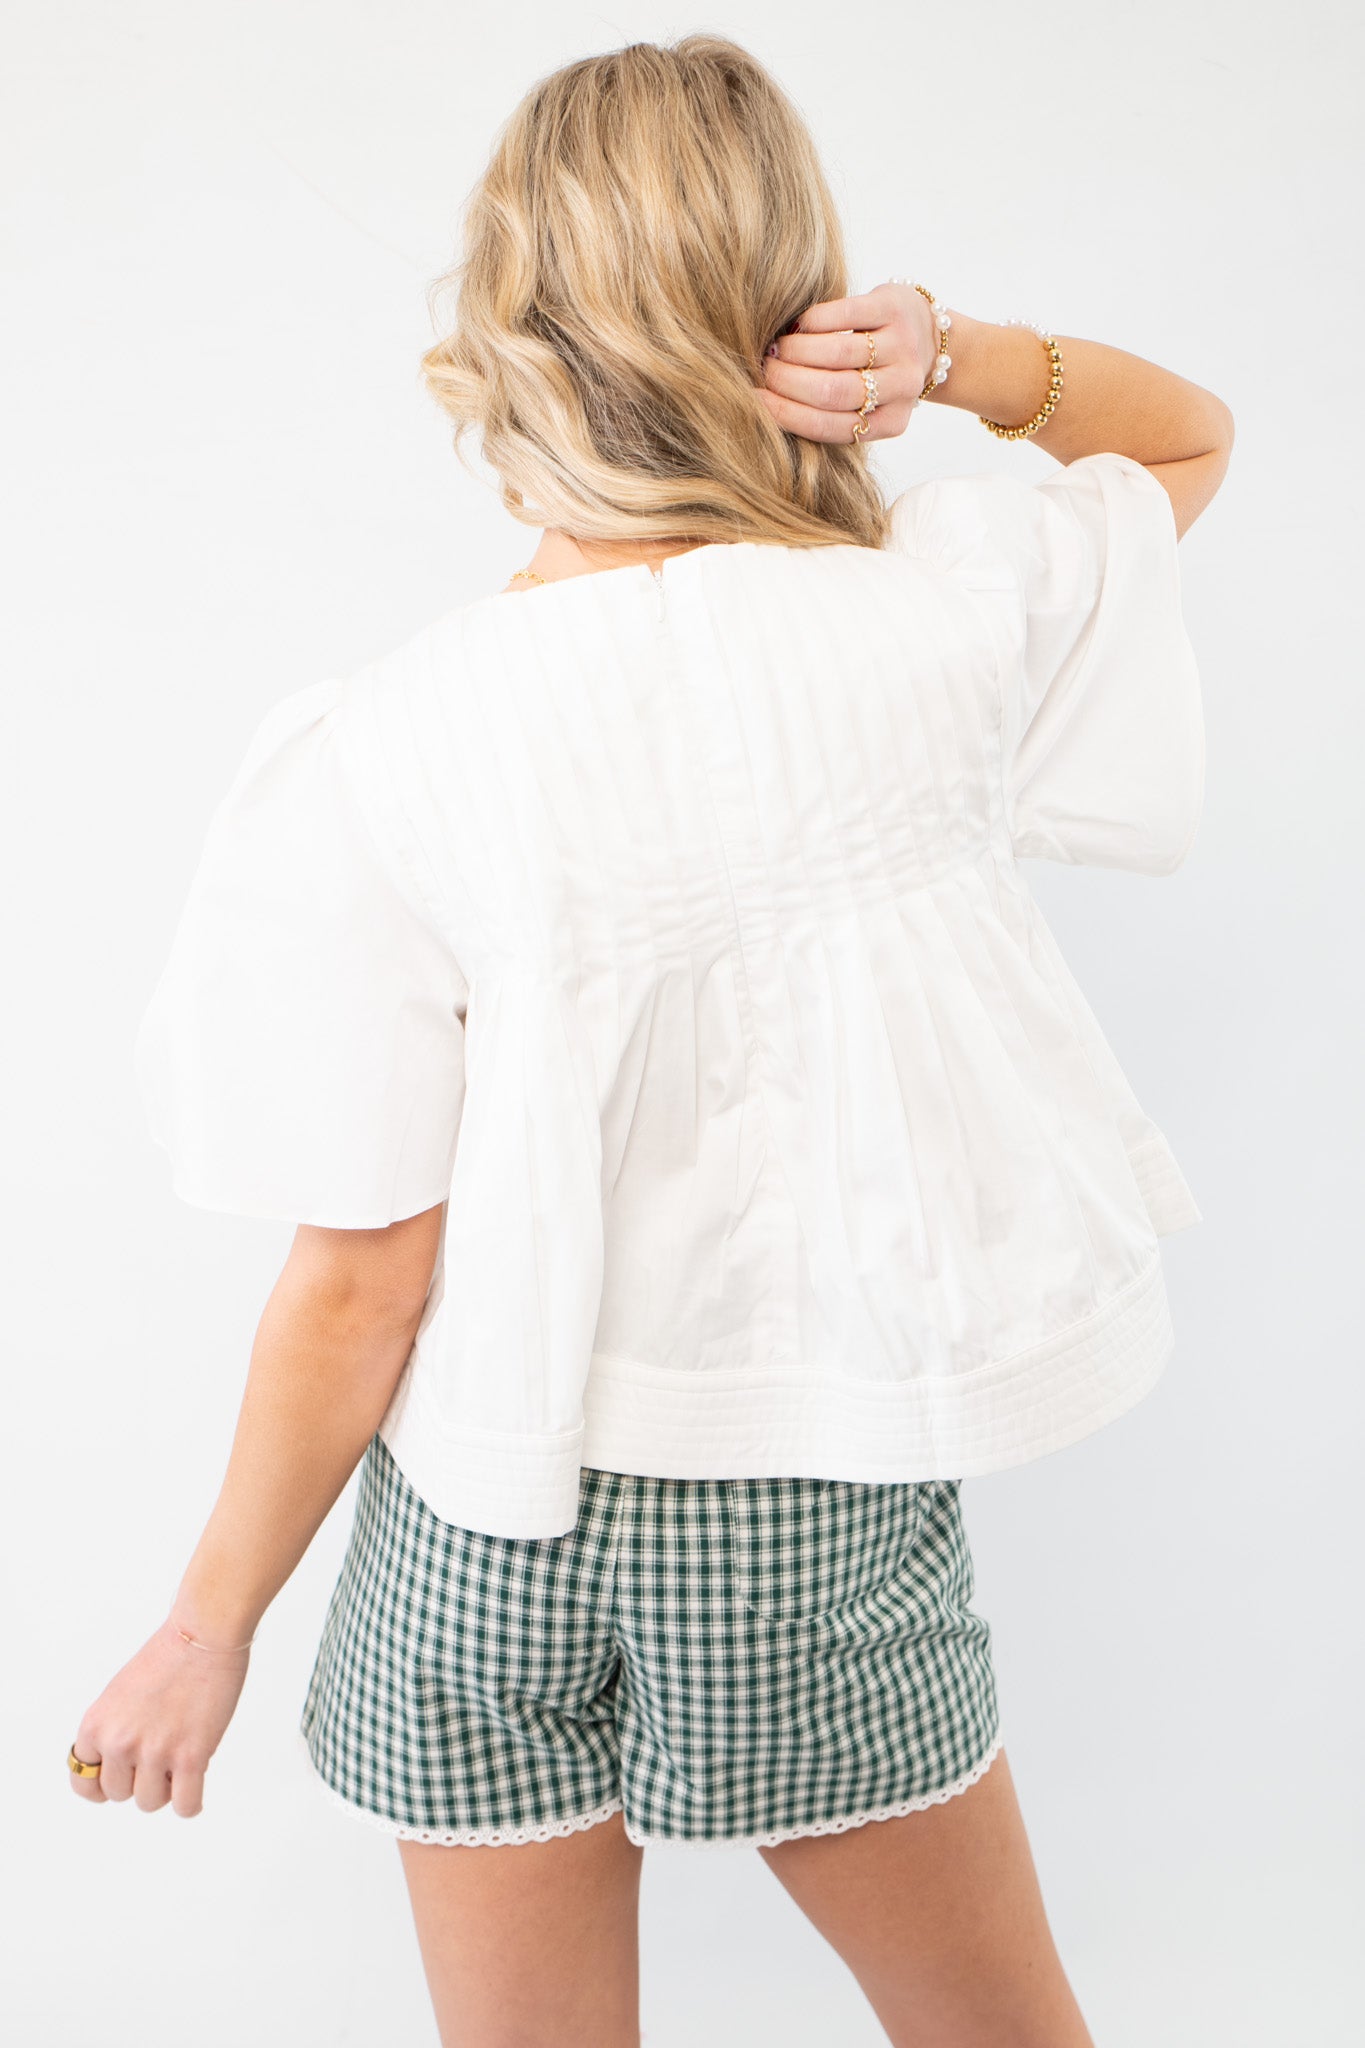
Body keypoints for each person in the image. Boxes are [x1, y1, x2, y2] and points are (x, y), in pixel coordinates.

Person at [66, 33, 1232, 2048]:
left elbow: (357, 1285)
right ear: (799, 312)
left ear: (504, 326)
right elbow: (1189, 443)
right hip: (808, 1496)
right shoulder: (935, 619)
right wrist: (947, 353)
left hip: (477, 1519)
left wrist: (206, 1627)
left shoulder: (389, 747)